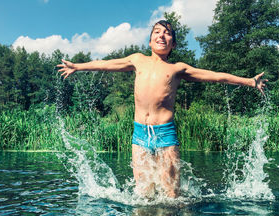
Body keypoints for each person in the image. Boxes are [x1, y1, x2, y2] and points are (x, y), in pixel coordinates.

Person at [57, 20, 267, 199]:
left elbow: (215, 75)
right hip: (139, 134)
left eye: (167, 33)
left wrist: (249, 82)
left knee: (171, 195)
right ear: (150, 41)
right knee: (142, 194)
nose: (162, 35)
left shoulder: (177, 68)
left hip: (165, 134)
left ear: (173, 44)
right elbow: (107, 64)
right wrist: (78, 66)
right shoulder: (138, 60)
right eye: (157, 32)